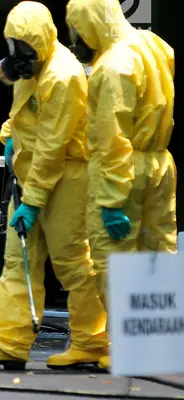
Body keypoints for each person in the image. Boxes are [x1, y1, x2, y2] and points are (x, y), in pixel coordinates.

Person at [0, 1, 109, 370]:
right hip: (31, 177)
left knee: (73, 264)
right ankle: (8, 342)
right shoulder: (33, 67)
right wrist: (10, 134)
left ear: (37, 41)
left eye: (21, 50)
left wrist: (32, 201)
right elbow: (24, 114)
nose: (16, 59)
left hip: (66, 177)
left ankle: (94, 343)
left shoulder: (64, 76)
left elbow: (53, 147)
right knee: (17, 262)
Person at [66, 0, 177, 371]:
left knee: (113, 262)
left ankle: (129, 344)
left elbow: (112, 137)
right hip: (160, 162)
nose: (76, 38)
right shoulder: (154, 44)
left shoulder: (111, 67)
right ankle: (157, 343)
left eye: (77, 29)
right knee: (158, 257)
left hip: (124, 170)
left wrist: (111, 199)